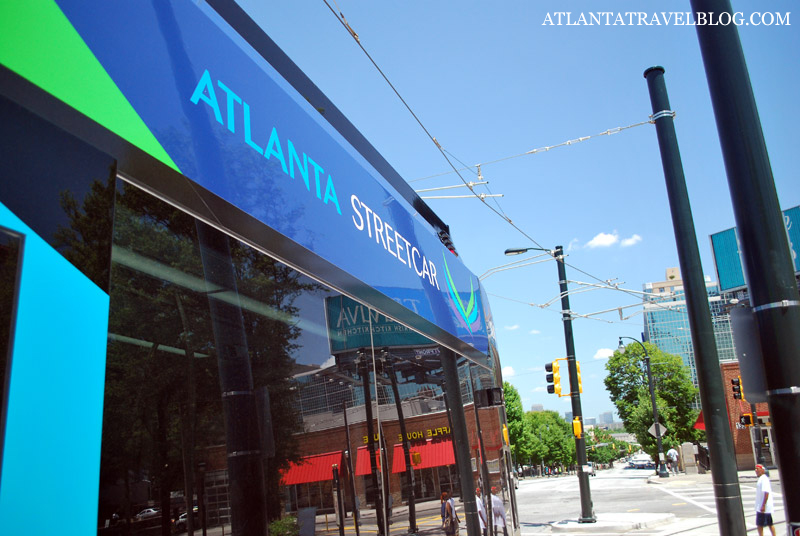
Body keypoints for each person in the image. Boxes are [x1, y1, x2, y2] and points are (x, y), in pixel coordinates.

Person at [755, 464, 776, 536]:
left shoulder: (764, 479)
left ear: (762, 470)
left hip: (763, 507)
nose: (756, 470)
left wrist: (763, 505)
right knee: (769, 523)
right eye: (755, 469)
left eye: (757, 469)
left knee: (759, 524)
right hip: (762, 506)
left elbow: (766, 492)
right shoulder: (762, 479)